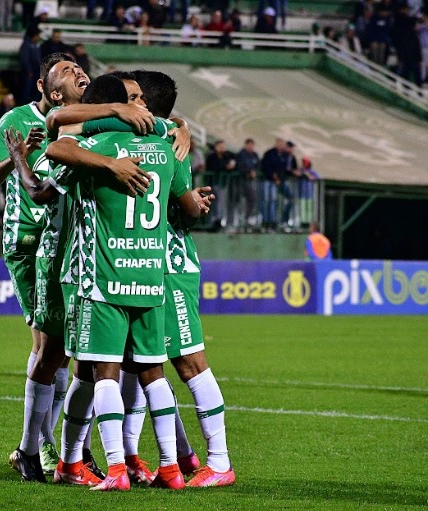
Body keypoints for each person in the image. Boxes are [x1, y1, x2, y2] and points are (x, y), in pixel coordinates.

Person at [45, 76, 204, 493]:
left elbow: (54, 145)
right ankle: (171, 468)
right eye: (132, 100)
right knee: (153, 374)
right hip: (151, 278)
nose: (139, 106)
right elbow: (186, 198)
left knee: (102, 374)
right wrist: (181, 126)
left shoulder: (97, 148)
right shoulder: (166, 144)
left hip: (102, 278)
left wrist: (106, 149)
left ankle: (115, 468)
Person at [132, 68, 234, 489]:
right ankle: (171, 460)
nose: (128, 102)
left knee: (190, 361)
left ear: (146, 106)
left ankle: (220, 462)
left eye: (134, 96)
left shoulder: (167, 144)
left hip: (171, 267)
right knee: (142, 365)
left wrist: (192, 203)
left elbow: (187, 210)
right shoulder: (162, 138)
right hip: (146, 266)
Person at [0, 52, 74, 483]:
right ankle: (40, 449)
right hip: (28, 242)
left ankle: (43, 448)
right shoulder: (15, 120)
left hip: (65, 241)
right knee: (46, 347)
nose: (79, 77)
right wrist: (21, 155)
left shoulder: (78, 123)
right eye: (68, 72)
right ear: (45, 88)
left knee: (63, 351)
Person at [236, 138, 260, 231]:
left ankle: (248, 218)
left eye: (252, 145)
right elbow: (239, 166)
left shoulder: (254, 155)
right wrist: (248, 172)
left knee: (252, 198)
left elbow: (258, 165)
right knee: (240, 200)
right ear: (246, 145)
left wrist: (254, 172)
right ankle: (239, 219)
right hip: (241, 181)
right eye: (249, 145)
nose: (251, 147)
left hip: (251, 181)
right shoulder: (241, 155)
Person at [19, 27, 42, 104]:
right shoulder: (26, 45)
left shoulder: (35, 45)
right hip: (28, 74)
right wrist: (29, 71)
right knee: (26, 93)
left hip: (36, 73)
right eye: (38, 35)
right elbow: (24, 59)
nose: (39, 37)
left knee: (36, 93)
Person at [297, 156, 319, 227]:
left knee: (309, 208)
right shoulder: (300, 171)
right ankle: (303, 222)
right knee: (302, 208)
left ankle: (308, 222)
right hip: (302, 193)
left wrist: (309, 176)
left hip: (310, 194)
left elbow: (318, 177)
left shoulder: (311, 172)